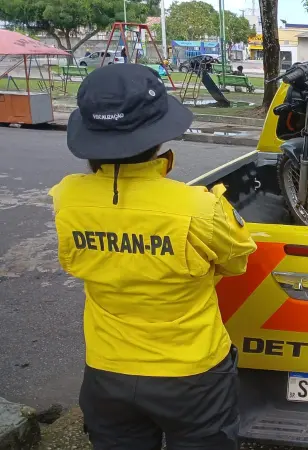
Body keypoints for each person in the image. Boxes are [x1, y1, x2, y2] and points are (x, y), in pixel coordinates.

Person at [49, 64, 257, 450]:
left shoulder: (66, 198)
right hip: (193, 376)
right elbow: (236, 261)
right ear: (158, 138)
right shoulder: (199, 208)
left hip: (107, 372)